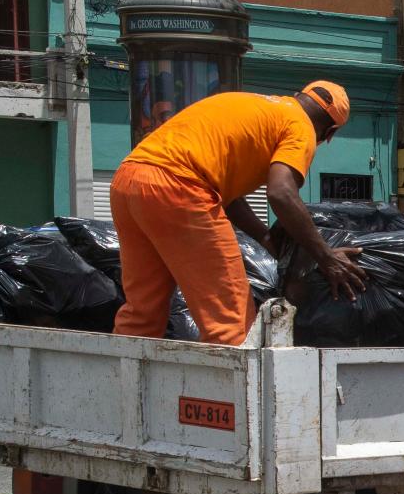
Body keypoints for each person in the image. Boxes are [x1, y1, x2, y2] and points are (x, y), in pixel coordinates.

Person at [109, 81, 367, 344]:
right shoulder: (300, 127)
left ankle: (118, 382)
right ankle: (231, 384)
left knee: (143, 311)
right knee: (231, 319)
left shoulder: (253, 104)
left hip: (129, 180)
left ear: (297, 95)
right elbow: (281, 193)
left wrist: (265, 238)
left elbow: (227, 195)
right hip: (180, 186)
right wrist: (326, 258)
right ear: (330, 132)